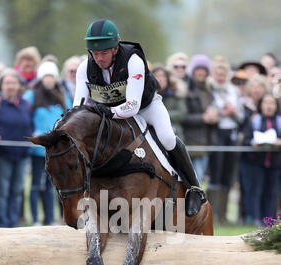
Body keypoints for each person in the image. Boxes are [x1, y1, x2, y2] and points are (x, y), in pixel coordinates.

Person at [73, 19, 206, 217]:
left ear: (115, 49)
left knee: (167, 137)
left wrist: (107, 113)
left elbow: (133, 106)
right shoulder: (85, 67)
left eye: (104, 53)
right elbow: (79, 104)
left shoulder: (133, 60)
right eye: (95, 53)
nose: (99, 58)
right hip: (109, 113)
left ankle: (194, 188)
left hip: (145, 106)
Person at [0, 69, 33, 227]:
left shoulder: (24, 103)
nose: (10, 86)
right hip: (2, 154)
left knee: (17, 190)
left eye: (13, 83)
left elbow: (29, 124)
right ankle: (0, 224)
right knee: (2, 191)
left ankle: (13, 224)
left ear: (19, 85)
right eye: (7, 83)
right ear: (1, 85)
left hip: (22, 154)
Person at [23, 61, 71, 226]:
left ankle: (50, 218)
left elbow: (69, 115)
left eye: (51, 76)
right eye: (46, 77)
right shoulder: (32, 95)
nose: (49, 80)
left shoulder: (61, 95)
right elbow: (23, 115)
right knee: (36, 184)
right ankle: (35, 219)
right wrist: (31, 132)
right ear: (41, 78)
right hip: (38, 149)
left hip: (56, 150)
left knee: (52, 185)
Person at [207, 56, 244, 224]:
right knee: (215, 173)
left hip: (232, 133)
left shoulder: (233, 90)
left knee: (228, 174)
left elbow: (242, 116)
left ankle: (223, 215)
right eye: (218, 73)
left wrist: (233, 112)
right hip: (217, 133)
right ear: (213, 73)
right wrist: (222, 112)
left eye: (224, 73)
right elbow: (209, 113)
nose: (220, 76)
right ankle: (212, 213)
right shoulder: (209, 88)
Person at [240, 93, 281, 226]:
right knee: (256, 191)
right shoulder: (254, 120)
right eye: (266, 102)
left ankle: (268, 221)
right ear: (261, 105)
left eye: (272, 103)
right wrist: (253, 142)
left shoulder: (279, 121)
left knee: (271, 192)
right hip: (256, 163)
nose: (269, 106)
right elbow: (245, 140)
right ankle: (256, 219)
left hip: (274, 164)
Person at [181, 54, 218, 183]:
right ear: (193, 70)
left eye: (204, 69)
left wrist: (214, 116)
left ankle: (195, 204)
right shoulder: (186, 89)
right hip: (190, 141)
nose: (201, 72)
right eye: (198, 69)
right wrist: (203, 118)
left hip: (206, 141)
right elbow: (184, 116)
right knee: (189, 180)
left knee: (199, 180)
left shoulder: (210, 90)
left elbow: (213, 109)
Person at [152, 64, 186, 141]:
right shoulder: (148, 97)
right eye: (157, 75)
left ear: (167, 78)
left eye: (163, 76)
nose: (160, 79)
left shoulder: (176, 94)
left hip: (175, 135)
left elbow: (181, 114)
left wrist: (160, 114)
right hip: (153, 136)